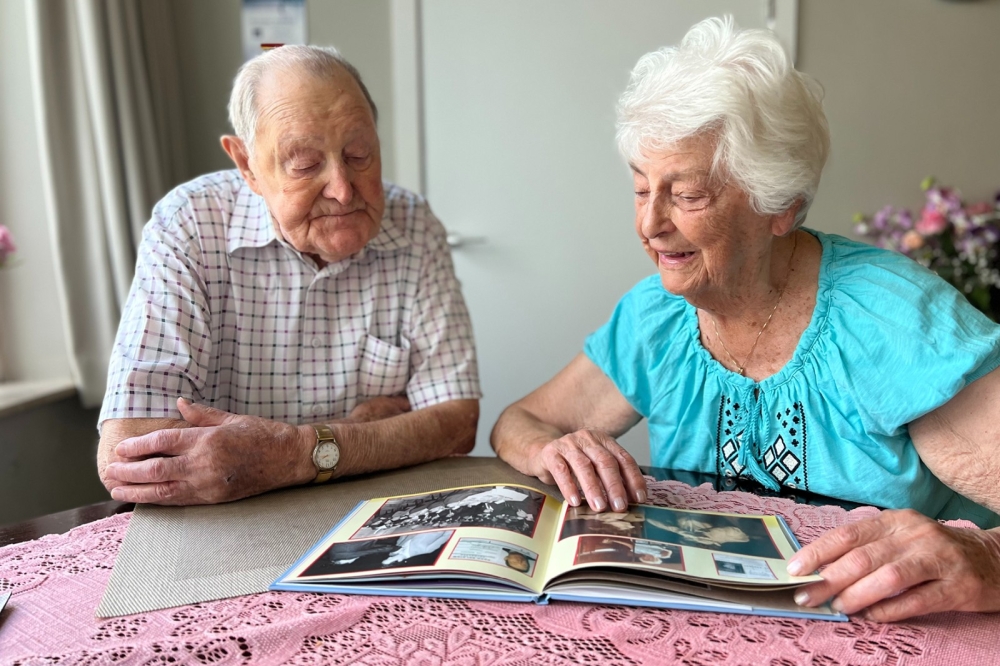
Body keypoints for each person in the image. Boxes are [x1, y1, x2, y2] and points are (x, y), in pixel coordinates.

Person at [491, 17, 1000, 621]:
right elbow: (521, 421)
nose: (649, 225)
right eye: (640, 188)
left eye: (687, 194)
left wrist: (987, 559)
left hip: (897, 625)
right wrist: (552, 450)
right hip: (718, 621)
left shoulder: (889, 319)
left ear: (777, 204)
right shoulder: (658, 315)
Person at [97, 45, 480, 506]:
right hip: (223, 530)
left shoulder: (413, 224)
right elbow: (130, 456)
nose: (342, 190)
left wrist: (291, 453)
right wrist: (365, 433)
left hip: (369, 514)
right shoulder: (190, 224)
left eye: (360, 154)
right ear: (247, 165)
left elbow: (457, 424)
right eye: (305, 164)